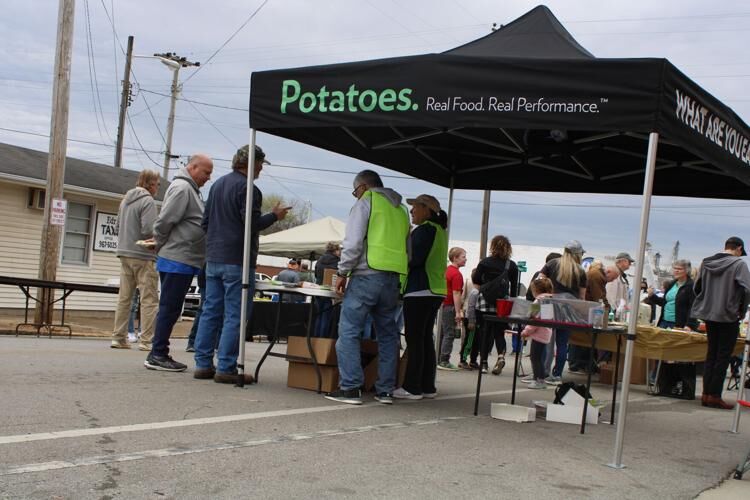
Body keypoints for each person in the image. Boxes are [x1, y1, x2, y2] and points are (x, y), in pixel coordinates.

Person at [193, 145, 288, 383]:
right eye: (260, 165)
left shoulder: (217, 186)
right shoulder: (248, 189)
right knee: (235, 314)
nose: (261, 170)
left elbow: (205, 222)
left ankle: (203, 364)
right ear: (251, 164)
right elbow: (251, 224)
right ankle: (226, 366)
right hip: (238, 259)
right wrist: (274, 216)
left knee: (210, 312)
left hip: (213, 256)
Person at [324, 170, 410, 405]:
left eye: (355, 191)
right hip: (392, 279)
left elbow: (352, 243)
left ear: (362, 187)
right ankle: (385, 390)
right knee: (388, 335)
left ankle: (351, 387)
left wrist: (342, 272)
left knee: (349, 330)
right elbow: (407, 248)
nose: (355, 196)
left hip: (366, 276)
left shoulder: (366, 202)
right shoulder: (402, 210)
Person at [145, 154, 213, 372]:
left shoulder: (191, 189)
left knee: (172, 307)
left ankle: (159, 351)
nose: (208, 177)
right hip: (176, 257)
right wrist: (158, 242)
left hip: (184, 258)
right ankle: (157, 353)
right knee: (170, 307)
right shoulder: (183, 188)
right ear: (192, 167)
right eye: (206, 172)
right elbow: (165, 220)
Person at [393, 194, 448, 400]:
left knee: (415, 339)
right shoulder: (440, 230)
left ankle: (412, 387)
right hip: (435, 289)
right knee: (424, 339)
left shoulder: (425, 230)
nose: (412, 211)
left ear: (426, 209)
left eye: (415, 207)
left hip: (419, 289)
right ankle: (427, 386)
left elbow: (413, 259)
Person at [691, 237, 750, 410]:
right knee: (723, 355)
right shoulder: (739, 265)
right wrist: (741, 309)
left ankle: (706, 394)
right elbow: (747, 289)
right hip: (728, 314)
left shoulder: (706, 262)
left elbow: (697, 287)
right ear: (738, 248)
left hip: (709, 313)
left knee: (711, 354)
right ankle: (715, 396)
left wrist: (705, 303)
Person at [111, 169, 160, 351]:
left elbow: (117, 226)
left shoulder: (125, 200)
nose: (158, 188)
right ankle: (146, 340)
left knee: (125, 298)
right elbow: (148, 229)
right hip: (143, 254)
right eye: (157, 184)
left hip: (124, 252)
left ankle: (118, 337)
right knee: (149, 299)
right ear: (151, 184)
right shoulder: (148, 201)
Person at [539, 240, 587, 383]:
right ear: (578, 254)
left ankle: (542, 373)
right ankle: (557, 375)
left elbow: (540, 281)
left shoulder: (552, 263)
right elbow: (582, 297)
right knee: (562, 343)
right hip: (568, 307)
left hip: (549, 304)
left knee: (545, 339)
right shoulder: (580, 271)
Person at [472, 235, 519, 375]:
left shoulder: (485, 262)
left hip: (484, 302)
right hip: (501, 304)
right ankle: (501, 356)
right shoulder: (511, 265)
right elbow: (514, 288)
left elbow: (476, 279)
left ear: (493, 246)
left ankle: (484, 363)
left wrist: (487, 285)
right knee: (499, 333)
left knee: (484, 332)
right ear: (508, 248)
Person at [568, 262, 618, 373]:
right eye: (613, 278)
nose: (613, 281)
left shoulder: (596, 274)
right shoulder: (597, 276)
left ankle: (579, 363)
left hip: (584, 309)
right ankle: (578, 364)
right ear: (608, 272)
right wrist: (608, 309)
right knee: (583, 338)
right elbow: (598, 296)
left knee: (581, 338)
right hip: (585, 310)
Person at [520, 277, 554, 389]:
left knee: (535, 358)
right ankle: (540, 379)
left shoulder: (538, 301)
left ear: (536, 290)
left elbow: (534, 319)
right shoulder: (549, 300)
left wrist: (526, 331)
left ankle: (538, 380)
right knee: (539, 358)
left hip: (538, 334)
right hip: (546, 333)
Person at [645, 259, 698, 330]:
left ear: (687, 271)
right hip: (663, 322)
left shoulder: (691, 286)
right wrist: (652, 296)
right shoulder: (672, 284)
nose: (676, 270)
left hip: (679, 324)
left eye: (679, 269)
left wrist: (689, 325)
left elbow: (693, 308)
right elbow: (664, 302)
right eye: (675, 268)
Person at [437, 246, 467, 371]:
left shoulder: (446, 270)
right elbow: (456, 293)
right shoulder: (457, 275)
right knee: (449, 333)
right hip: (450, 305)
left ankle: (439, 357)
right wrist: (458, 311)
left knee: (442, 333)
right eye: (463, 257)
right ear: (455, 258)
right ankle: (444, 360)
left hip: (442, 304)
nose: (465, 259)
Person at [314, 242, 341, 338]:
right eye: (339, 250)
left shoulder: (320, 259)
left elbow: (316, 274)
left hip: (318, 290)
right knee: (326, 317)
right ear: (335, 250)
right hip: (329, 292)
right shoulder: (338, 261)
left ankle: (315, 339)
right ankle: (322, 340)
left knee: (319, 316)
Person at [607, 251, 635, 319]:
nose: (630, 264)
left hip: (619, 312)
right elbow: (611, 296)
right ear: (623, 261)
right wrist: (614, 312)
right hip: (613, 312)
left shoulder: (621, 275)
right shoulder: (614, 273)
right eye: (629, 262)